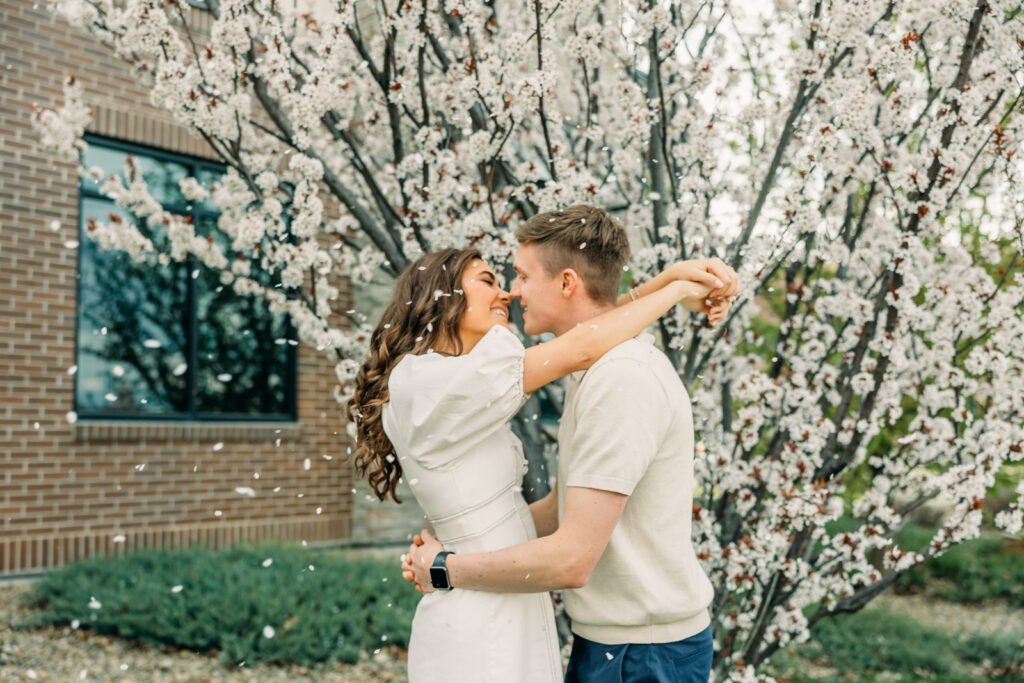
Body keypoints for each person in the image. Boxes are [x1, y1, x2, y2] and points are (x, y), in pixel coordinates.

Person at [349, 227, 732, 682]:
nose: (509, 292)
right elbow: (583, 342)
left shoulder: (465, 381)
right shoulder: (426, 383)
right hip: (481, 613)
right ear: (442, 298)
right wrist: (674, 289)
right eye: (490, 280)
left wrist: (445, 567)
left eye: (516, 277)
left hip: (516, 604)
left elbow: (586, 332)